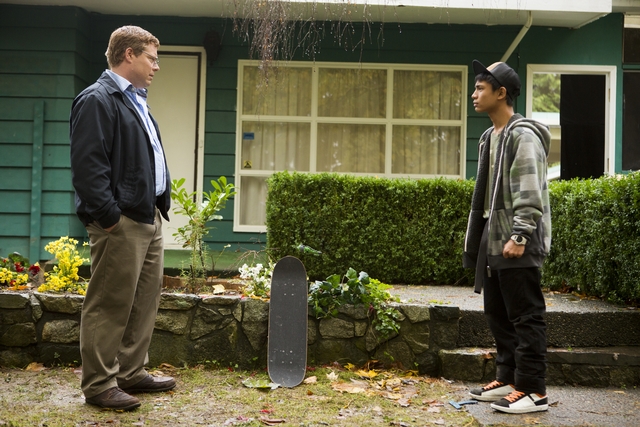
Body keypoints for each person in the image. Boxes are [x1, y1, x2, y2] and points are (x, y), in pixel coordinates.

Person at [70, 25, 175, 411]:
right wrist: (110, 218)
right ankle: (99, 384)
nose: (156, 67)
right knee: (109, 303)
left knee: (144, 301)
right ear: (128, 54)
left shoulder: (136, 100)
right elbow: (88, 166)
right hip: (120, 222)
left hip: (148, 216)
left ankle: (131, 371)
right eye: (152, 58)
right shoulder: (98, 99)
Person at [463, 60, 552, 414]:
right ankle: (509, 378)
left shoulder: (522, 135)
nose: (474, 94)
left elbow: (529, 189)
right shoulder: (490, 136)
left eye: (480, 88)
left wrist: (520, 234)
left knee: (526, 315)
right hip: (494, 236)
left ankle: (533, 390)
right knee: (498, 312)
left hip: (518, 239)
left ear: (501, 93)